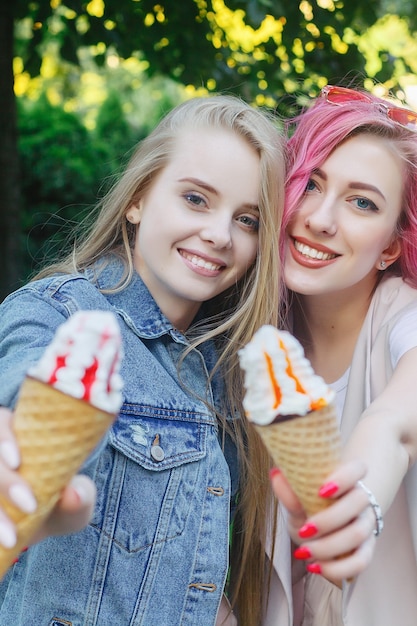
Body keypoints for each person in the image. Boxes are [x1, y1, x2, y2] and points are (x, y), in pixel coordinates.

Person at [0, 95, 286, 626]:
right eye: (196, 199)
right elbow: (24, 386)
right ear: (137, 198)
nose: (220, 235)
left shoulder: (225, 370)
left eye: (247, 219)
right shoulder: (58, 312)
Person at [268, 84, 417, 626]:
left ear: (390, 246)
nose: (320, 218)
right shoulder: (248, 330)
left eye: (362, 202)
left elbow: (401, 419)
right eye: (310, 183)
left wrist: (357, 497)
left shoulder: (402, 318)